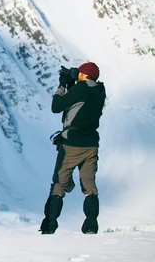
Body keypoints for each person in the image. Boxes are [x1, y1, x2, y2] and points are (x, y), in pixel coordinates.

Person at [40, 62, 106, 235]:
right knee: (89, 186)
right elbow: (79, 104)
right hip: (91, 144)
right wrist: (72, 84)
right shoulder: (100, 91)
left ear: (85, 75)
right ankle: (91, 225)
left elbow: (57, 107)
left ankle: (49, 225)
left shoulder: (81, 88)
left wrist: (62, 85)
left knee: (59, 185)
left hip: (71, 145)